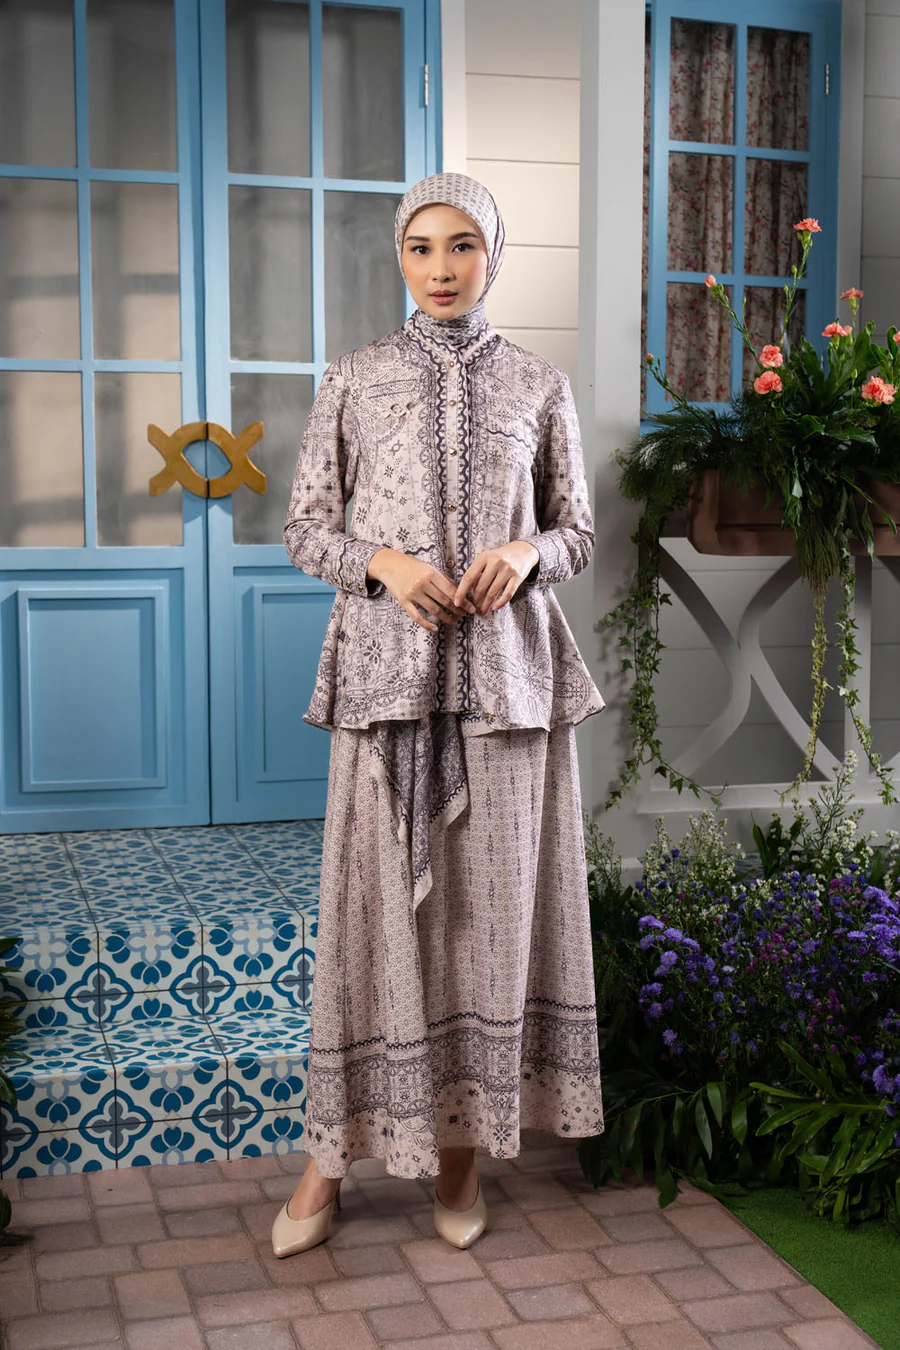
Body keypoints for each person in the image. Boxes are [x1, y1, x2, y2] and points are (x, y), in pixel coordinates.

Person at [272, 172, 606, 1257]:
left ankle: (462, 1155)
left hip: (507, 690)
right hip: (386, 685)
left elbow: (577, 531)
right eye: (421, 248)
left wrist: (528, 552)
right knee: (372, 920)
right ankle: (329, 1159)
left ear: (492, 254)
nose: (442, 268)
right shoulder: (356, 378)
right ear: (400, 257)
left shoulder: (538, 385)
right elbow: (307, 528)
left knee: (484, 926)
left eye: (463, 245)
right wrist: (384, 562)